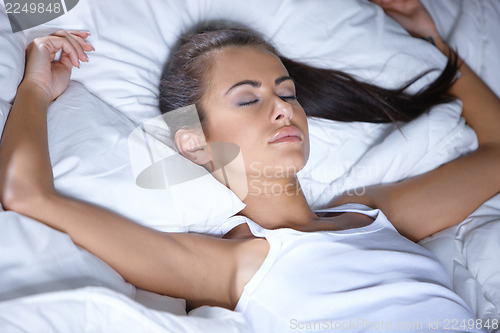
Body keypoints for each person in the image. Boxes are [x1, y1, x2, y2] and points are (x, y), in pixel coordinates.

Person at [0, 0, 498, 331]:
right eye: (247, 99)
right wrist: (36, 90)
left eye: (287, 93)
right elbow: (27, 196)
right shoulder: (236, 266)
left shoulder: (373, 213)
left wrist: (432, 41)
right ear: (195, 145)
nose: (284, 108)